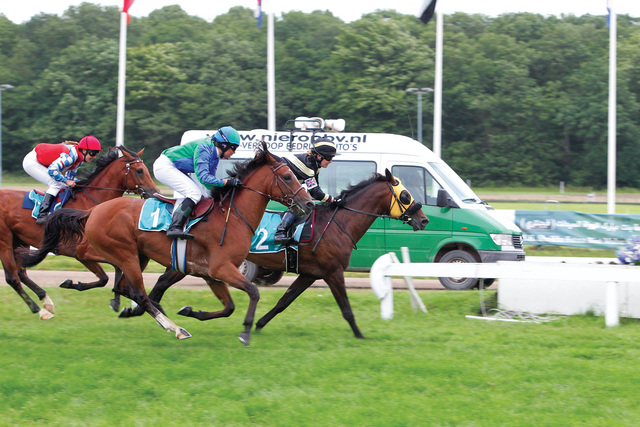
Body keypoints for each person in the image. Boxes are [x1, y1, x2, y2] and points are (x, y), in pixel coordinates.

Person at [153, 126, 242, 240]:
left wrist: (224, 189)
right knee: (194, 193)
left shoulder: (215, 157)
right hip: (165, 166)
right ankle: (174, 227)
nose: (234, 152)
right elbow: (203, 178)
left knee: (203, 197)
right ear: (224, 145)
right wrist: (226, 182)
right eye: (234, 148)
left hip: (175, 168)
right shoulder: (205, 147)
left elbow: (209, 183)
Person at [23, 135, 102, 224]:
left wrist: (73, 182)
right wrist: (66, 181)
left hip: (43, 162)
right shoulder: (70, 157)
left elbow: (70, 177)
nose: (94, 156)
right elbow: (52, 170)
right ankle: (42, 214)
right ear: (84, 150)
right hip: (32, 162)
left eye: (96, 153)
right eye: (92, 153)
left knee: (63, 185)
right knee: (56, 184)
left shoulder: (78, 161)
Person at [273, 137, 339, 244]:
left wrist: (331, 199)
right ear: (319, 156)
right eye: (329, 158)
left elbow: (316, 187)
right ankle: (281, 232)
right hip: (274, 181)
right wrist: (333, 200)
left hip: (282, 182)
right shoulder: (308, 166)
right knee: (301, 204)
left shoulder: (314, 164)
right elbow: (315, 193)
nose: (331, 161)